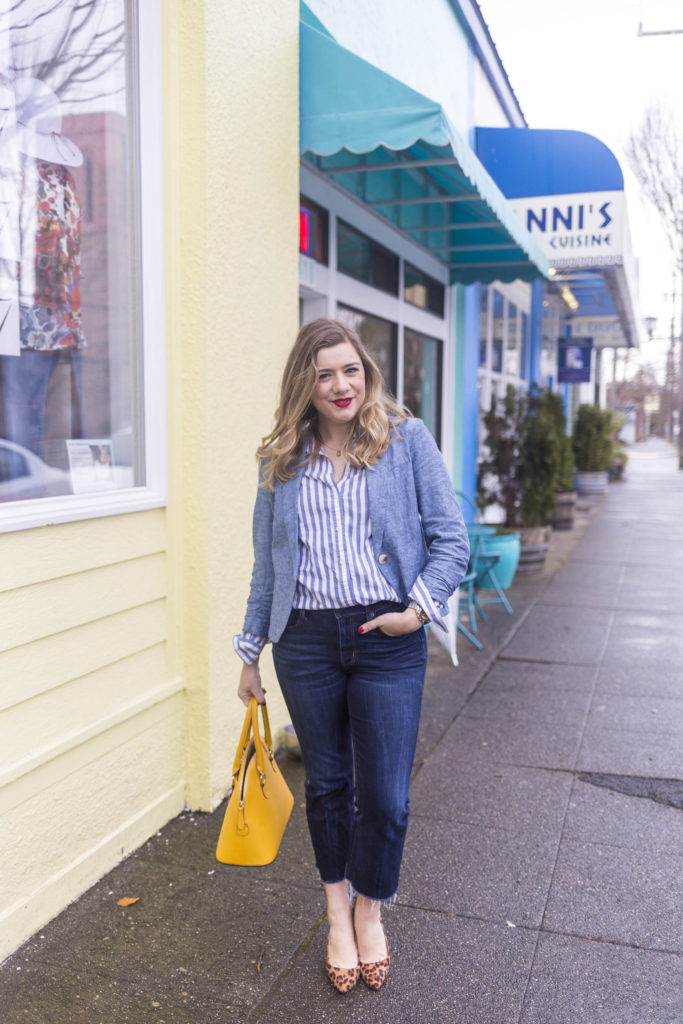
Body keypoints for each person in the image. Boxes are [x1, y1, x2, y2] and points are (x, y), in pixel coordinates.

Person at [234, 318, 469, 993]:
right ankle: (338, 910)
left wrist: (416, 610)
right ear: (303, 383)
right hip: (303, 641)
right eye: (324, 373)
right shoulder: (279, 459)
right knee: (329, 786)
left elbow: (450, 539)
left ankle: (373, 905)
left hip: (385, 637)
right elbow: (266, 570)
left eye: (350, 371)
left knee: (386, 799)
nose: (340, 385)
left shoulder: (404, 440)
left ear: (365, 374)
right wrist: (250, 654)